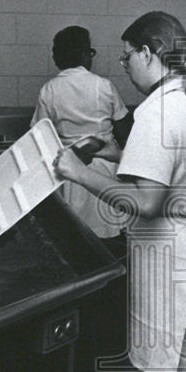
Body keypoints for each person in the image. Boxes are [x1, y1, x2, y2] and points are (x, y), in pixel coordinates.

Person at [54, 11, 186, 372]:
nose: (124, 64)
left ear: (148, 53)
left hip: (174, 262)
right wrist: (121, 155)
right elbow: (181, 170)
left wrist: (78, 173)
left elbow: (148, 202)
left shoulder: (156, 110)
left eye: (127, 55)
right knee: (180, 371)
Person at [32, 25, 130, 240]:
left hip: (70, 170)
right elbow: (124, 129)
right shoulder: (104, 85)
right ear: (85, 54)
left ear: (57, 58)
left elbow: (38, 136)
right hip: (105, 171)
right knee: (110, 233)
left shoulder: (49, 89)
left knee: (79, 236)